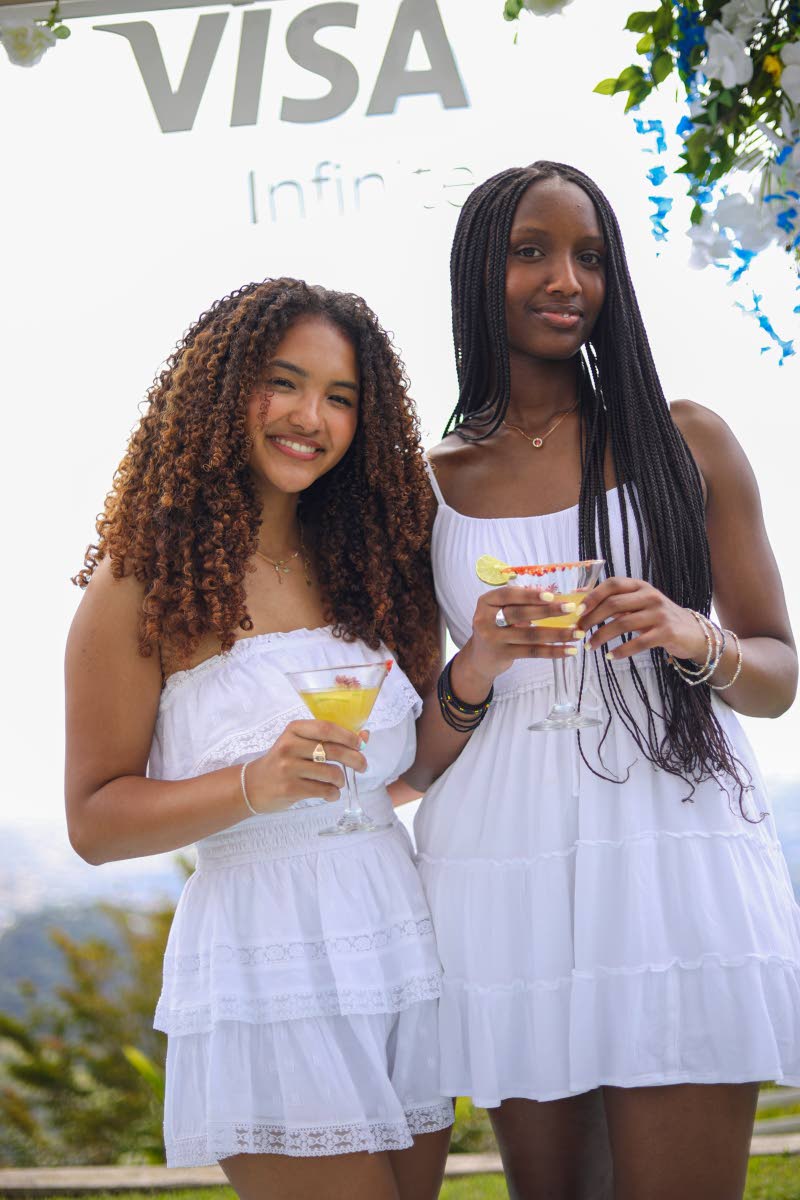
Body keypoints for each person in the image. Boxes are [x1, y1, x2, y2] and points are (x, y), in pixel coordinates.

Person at [408, 163, 800, 1200]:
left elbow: (774, 674)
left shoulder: (685, 439)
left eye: (588, 255)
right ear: (475, 273)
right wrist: (475, 666)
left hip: (672, 848)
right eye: (529, 250)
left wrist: (686, 634)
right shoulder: (423, 487)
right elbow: (409, 756)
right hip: (502, 863)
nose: (563, 278)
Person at [64, 278, 453, 1200]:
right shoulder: (140, 584)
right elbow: (93, 820)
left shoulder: (375, 564)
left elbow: (399, 773)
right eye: (284, 382)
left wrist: (473, 681)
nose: (309, 416)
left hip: (396, 939)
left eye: (342, 397)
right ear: (219, 390)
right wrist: (252, 782)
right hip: (264, 958)